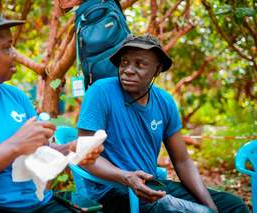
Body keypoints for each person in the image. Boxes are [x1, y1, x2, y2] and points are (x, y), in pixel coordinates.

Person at [0, 8, 103, 212]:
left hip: (38, 206)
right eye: (7, 48)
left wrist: (69, 150)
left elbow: (35, 155)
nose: (14, 54)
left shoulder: (16, 97)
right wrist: (13, 146)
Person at [76, 33, 249, 213]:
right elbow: (85, 156)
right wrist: (127, 177)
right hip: (113, 192)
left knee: (234, 206)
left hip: (151, 186)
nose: (128, 70)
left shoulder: (164, 101)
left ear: (157, 70)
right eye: (124, 62)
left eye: (140, 64)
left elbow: (182, 161)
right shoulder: (100, 92)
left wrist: (210, 205)